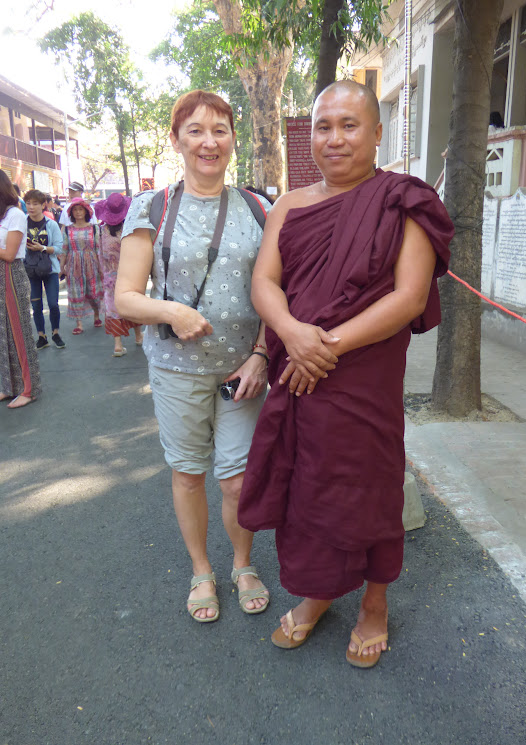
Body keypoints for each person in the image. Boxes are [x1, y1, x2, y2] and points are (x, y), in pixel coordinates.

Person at [237, 80, 454, 667]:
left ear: (378, 133)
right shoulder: (290, 205)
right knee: (309, 484)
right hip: (300, 374)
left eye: (349, 126)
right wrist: (291, 333)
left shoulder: (401, 202)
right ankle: (318, 594)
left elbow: (409, 298)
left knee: (370, 484)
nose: (334, 139)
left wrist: (321, 346)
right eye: (323, 127)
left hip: (362, 379)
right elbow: (264, 283)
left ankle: (375, 603)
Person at [115, 90, 271, 623]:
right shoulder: (152, 208)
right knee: (187, 474)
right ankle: (201, 569)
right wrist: (172, 312)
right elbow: (126, 296)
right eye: (196, 130)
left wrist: (262, 353)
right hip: (177, 370)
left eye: (220, 130)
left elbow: (278, 290)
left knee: (237, 478)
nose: (209, 141)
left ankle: (243, 564)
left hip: (242, 371)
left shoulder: (258, 207)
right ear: (178, 139)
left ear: (233, 139)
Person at [0, 170, 41, 408]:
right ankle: (8, 385)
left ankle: (29, 388)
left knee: (19, 331)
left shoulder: (15, 214)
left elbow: (9, 254)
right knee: (3, 334)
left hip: (11, 274)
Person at [95, 193, 143, 357]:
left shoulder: (101, 231)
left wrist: (103, 273)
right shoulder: (130, 230)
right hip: (130, 274)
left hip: (110, 277)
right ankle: (139, 336)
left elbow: (99, 254)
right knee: (134, 304)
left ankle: (117, 345)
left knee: (112, 308)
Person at [23, 189, 65, 350]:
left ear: (43, 205)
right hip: (30, 270)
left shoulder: (51, 224)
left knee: (53, 303)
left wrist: (42, 248)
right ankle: (41, 336)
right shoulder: (22, 223)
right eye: (28, 203)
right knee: (36, 305)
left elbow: (59, 248)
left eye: (35, 203)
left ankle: (55, 333)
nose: (31, 207)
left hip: (50, 269)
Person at [59, 197, 104, 335]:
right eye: (75, 210)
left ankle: (96, 315)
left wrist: (101, 267)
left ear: (86, 212)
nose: (78, 212)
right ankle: (79, 323)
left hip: (92, 263)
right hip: (74, 264)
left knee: (93, 292)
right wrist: (62, 267)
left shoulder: (94, 228)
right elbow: (65, 249)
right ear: (71, 213)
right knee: (75, 292)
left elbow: (98, 249)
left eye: (80, 209)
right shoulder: (68, 230)